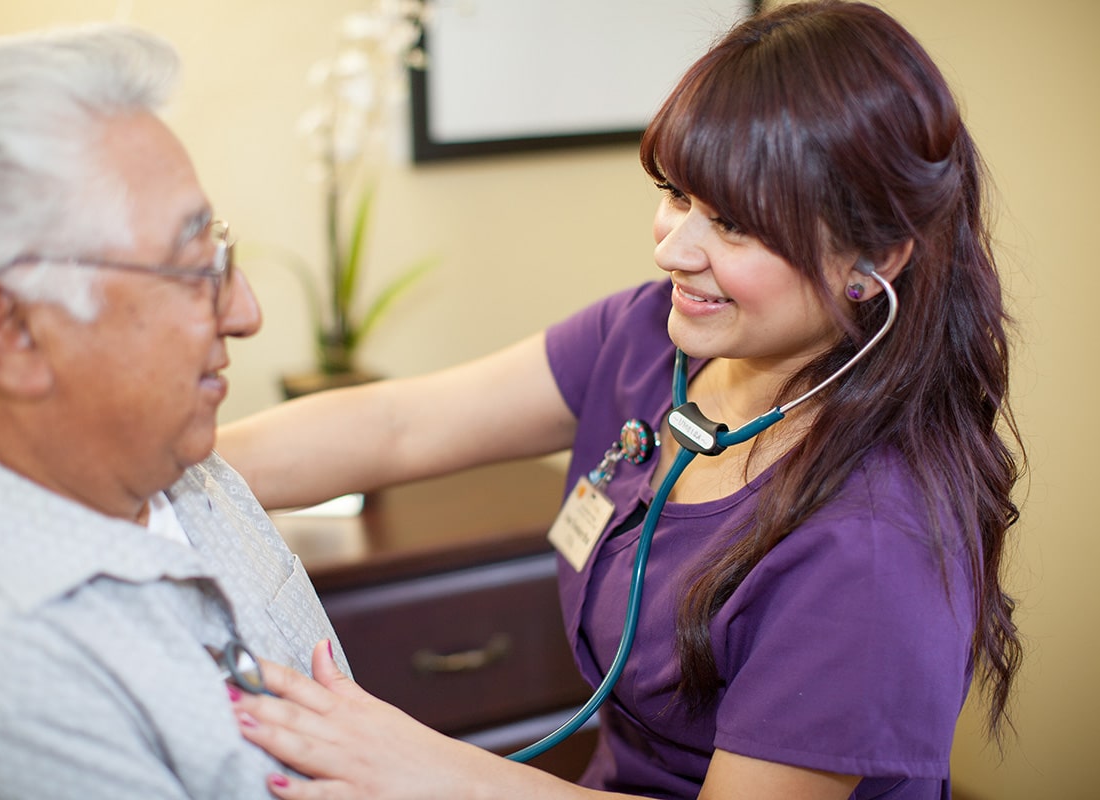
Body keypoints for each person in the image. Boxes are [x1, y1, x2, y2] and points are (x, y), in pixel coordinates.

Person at [215, 2, 1025, 799]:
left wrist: (426, 769)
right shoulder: (648, 338)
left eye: (734, 224)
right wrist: (153, 464)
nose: (672, 247)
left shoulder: (876, 549)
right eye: (676, 192)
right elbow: (398, 427)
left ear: (872, 256)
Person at [0, 24, 350, 799]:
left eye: (222, 252)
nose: (244, 312)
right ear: (11, 332)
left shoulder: (170, 463)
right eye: (193, 269)